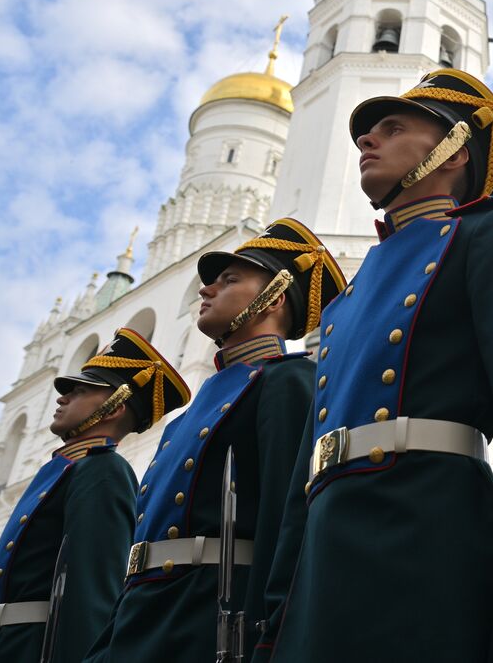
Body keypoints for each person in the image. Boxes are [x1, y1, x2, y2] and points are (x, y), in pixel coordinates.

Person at [258, 68, 493, 662]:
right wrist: (278, 613)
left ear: (454, 150)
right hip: (327, 560)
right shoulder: (348, 298)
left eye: (393, 127)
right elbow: (309, 468)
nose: (366, 141)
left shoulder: (492, 235)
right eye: (366, 133)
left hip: (426, 538)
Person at [85, 218, 344, 662]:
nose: (206, 290)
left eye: (229, 279)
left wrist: (271, 632)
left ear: (274, 297)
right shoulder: (181, 423)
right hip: (143, 620)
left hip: (208, 618)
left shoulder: (286, 381)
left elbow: (288, 524)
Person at [0, 329, 188, 663]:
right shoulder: (64, 470)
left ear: (114, 407)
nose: (62, 398)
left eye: (80, 390)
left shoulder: (102, 471)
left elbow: (90, 598)